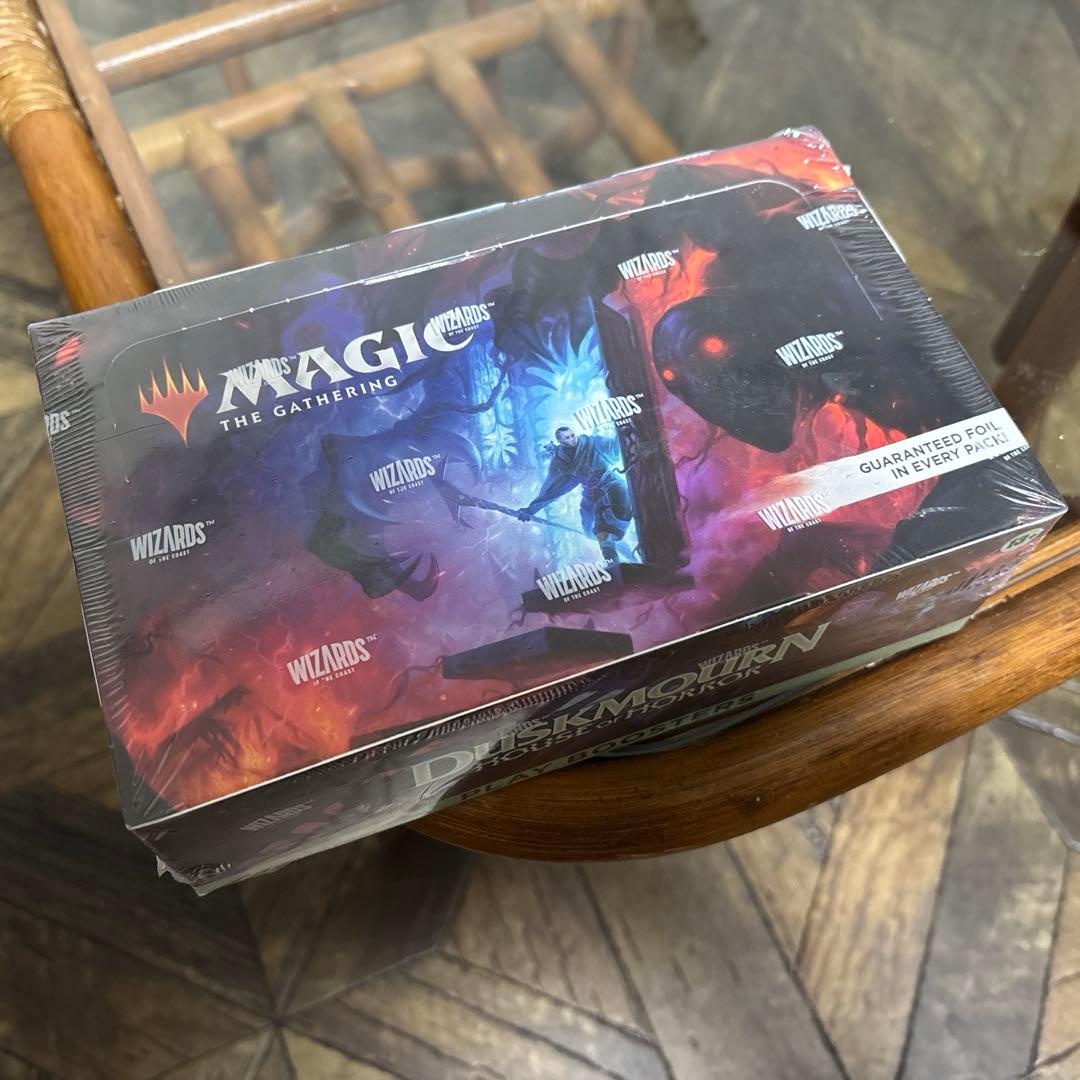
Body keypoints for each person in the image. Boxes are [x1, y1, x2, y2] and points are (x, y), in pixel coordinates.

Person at [517, 426, 632, 563]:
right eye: (567, 438)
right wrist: (530, 510)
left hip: (612, 484)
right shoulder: (561, 461)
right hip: (591, 494)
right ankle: (613, 558)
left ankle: (614, 553)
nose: (572, 439)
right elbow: (552, 489)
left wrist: (622, 432)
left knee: (615, 513)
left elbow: (615, 447)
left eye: (572, 435)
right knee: (590, 529)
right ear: (560, 441)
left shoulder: (593, 443)